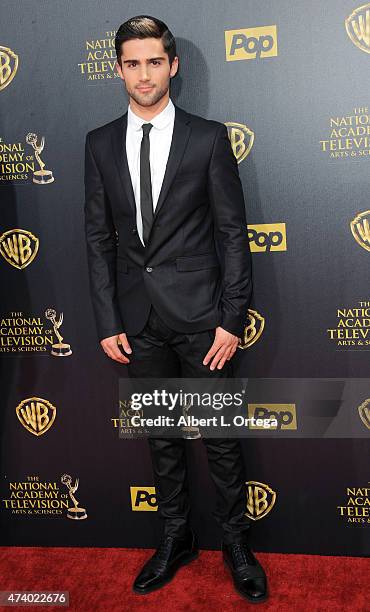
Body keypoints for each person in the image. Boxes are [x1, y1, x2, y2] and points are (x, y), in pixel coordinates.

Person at [84, 14, 268, 604]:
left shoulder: (209, 138)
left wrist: (232, 318)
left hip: (203, 320)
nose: (144, 74)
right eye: (132, 63)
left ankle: (236, 543)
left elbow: (233, 235)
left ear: (173, 66)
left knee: (219, 435)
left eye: (154, 62)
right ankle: (175, 537)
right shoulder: (99, 143)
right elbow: (97, 239)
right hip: (138, 322)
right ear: (118, 69)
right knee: (160, 437)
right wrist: (107, 319)